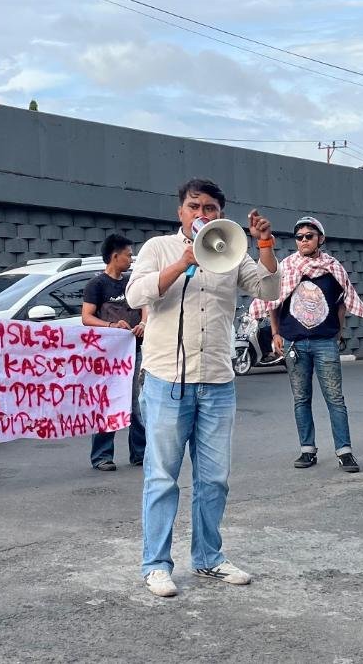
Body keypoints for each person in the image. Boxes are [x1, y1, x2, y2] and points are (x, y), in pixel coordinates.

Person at [126, 178, 280, 598]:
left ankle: (209, 558)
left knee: (214, 479)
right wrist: (182, 262)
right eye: (194, 207)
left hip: (216, 381)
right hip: (167, 380)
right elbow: (137, 293)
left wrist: (264, 245)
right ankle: (156, 565)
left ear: (221, 213)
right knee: (162, 477)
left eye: (210, 208)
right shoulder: (158, 248)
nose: (202, 214)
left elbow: (269, 289)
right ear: (181, 211)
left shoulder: (230, 249)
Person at [250, 216, 363, 472]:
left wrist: (338, 332)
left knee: (335, 399)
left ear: (321, 238)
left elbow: (342, 303)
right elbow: (274, 301)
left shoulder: (332, 268)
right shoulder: (285, 268)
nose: (304, 240)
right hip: (294, 343)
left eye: (309, 236)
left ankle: (345, 451)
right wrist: (275, 333)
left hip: (324, 342)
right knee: (301, 399)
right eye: (299, 237)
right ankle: (307, 450)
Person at [83, 233, 147, 471]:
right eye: (128, 255)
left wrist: (144, 324)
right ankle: (102, 456)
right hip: (107, 356)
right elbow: (86, 317)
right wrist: (111, 326)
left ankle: (139, 453)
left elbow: (145, 308)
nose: (131, 259)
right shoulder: (97, 285)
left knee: (136, 403)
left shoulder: (132, 282)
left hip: (135, 351)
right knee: (106, 402)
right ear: (115, 256)